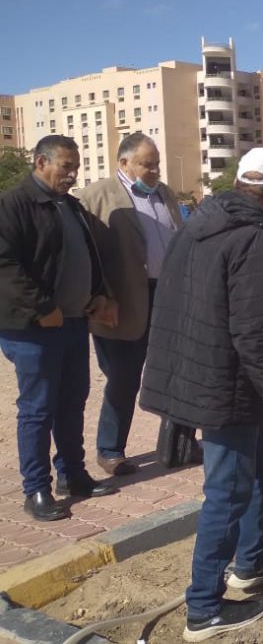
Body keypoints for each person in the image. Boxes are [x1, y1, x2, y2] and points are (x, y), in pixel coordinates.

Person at [140, 147, 263, 641]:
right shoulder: (254, 236)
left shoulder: (200, 223)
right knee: (227, 493)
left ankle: (250, 562)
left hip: (210, 370)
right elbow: (254, 329)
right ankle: (204, 608)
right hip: (227, 382)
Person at [0, 135, 118, 522]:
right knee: (38, 410)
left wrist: (98, 293)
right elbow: (5, 266)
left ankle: (73, 475)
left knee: (71, 403)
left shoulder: (71, 206)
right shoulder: (14, 204)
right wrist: (43, 307)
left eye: (76, 167)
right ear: (41, 162)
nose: (73, 174)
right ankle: (36, 489)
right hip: (33, 328)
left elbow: (88, 256)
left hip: (73, 322)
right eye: (66, 166)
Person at [80, 132, 183, 476]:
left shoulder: (165, 193)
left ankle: (179, 443)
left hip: (166, 296)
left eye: (157, 164)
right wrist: (98, 297)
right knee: (123, 378)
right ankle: (111, 450)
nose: (154, 170)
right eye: (146, 164)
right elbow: (85, 254)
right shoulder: (96, 196)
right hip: (120, 302)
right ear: (124, 163)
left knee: (175, 372)